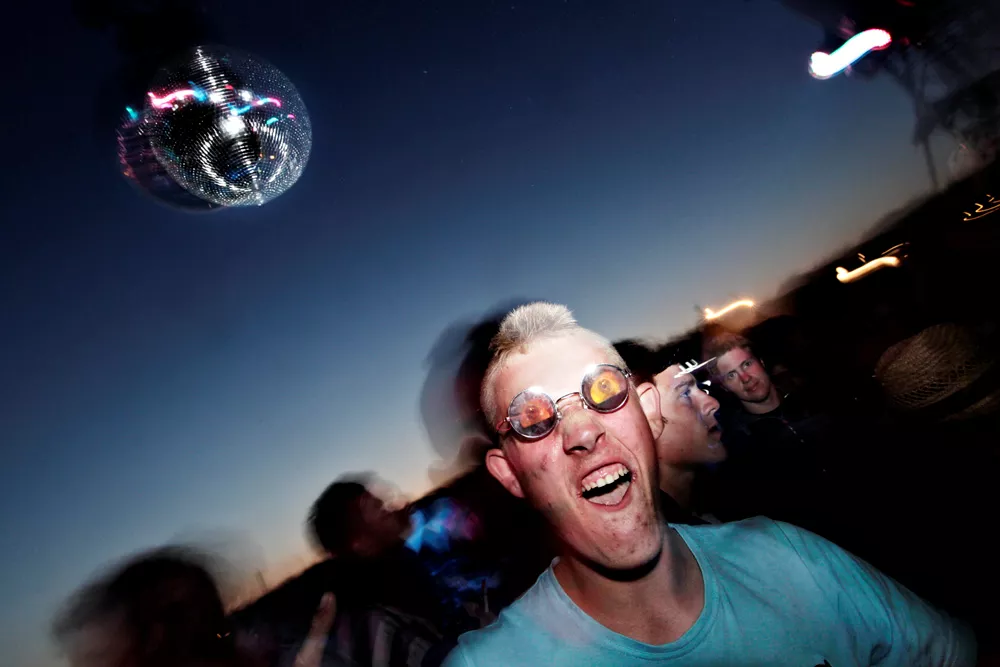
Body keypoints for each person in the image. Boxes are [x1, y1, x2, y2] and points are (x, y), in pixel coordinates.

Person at [443, 302, 975, 666]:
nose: (582, 431)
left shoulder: (788, 555)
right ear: (509, 473)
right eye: (533, 418)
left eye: (604, 390)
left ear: (649, 414)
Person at [613, 339, 724, 524]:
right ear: (648, 417)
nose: (713, 403)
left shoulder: (722, 501)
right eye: (685, 394)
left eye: (699, 388)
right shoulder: (661, 535)